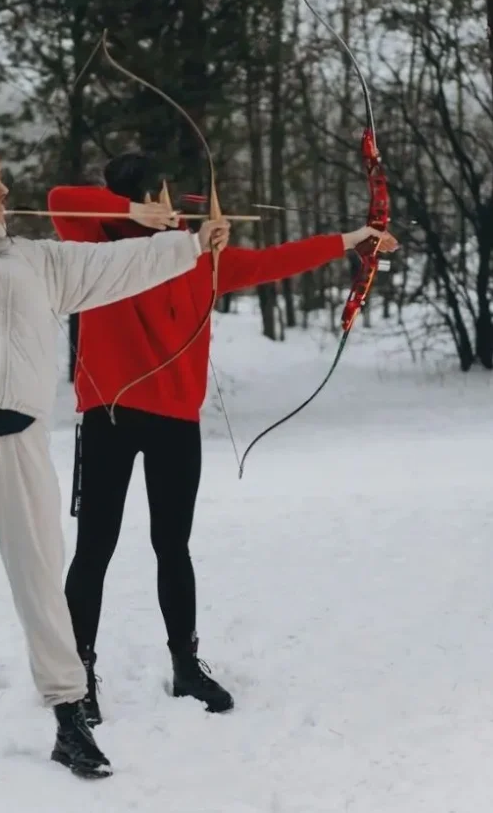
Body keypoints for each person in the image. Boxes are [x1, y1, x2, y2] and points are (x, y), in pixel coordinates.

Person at [0, 134, 230, 797]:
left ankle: (67, 717)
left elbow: (117, 266)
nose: (6, 192)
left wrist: (193, 243)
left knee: (41, 584)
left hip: (21, 440)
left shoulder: (36, 261)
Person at [48, 152, 399, 726]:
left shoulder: (200, 258)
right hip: (110, 414)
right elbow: (61, 201)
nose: (176, 204)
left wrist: (352, 240)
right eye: (161, 195)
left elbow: (275, 261)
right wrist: (134, 214)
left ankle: (185, 665)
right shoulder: (99, 247)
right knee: (95, 549)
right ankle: (76, 677)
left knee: (173, 546)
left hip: (176, 422)